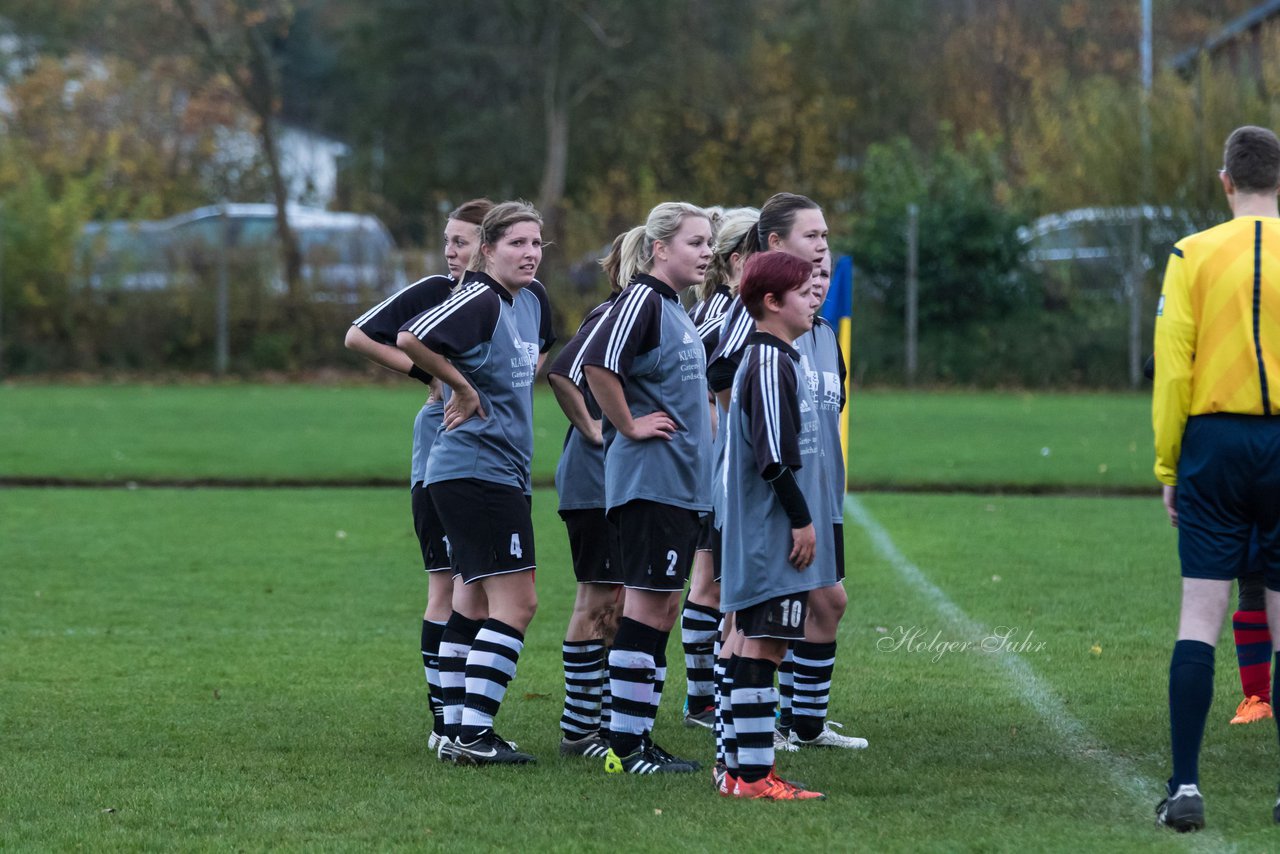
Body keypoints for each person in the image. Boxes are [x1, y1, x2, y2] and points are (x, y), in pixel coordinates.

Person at [1152, 125, 1280, 831]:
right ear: (1279, 182)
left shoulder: (1191, 253)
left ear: (1225, 180)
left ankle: (1187, 787)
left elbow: (1173, 368)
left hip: (1214, 441)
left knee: (1199, 617)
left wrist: (1170, 463)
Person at [397, 200, 554, 766]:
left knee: (476, 601)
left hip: (496, 471)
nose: (531, 253)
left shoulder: (521, 304)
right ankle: (472, 733)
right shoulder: (481, 296)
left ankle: (459, 732)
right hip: (473, 470)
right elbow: (412, 338)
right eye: (517, 243)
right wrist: (459, 389)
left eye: (537, 244)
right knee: (518, 603)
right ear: (487, 249)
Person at [707, 193, 865, 757]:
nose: (822, 251)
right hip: (770, 506)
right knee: (757, 628)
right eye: (811, 239)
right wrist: (793, 512)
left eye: (826, 238)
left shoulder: (807, 340)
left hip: (803, 500)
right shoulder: (764, 346)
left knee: (795, 617)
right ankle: (744, 756)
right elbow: (766, 443)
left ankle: (762, 746)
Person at [343, 198, 493, 752]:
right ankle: (446, 724)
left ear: (490, 243)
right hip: (441, 459)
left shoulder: (509, 301)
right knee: (449, 586)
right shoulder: (438, 291)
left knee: (474, 588)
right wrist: (428, 374)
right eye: (448, 239)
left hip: (492, 461)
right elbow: (358, 335)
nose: (451, 250)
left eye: (463, 240)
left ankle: (458, 721)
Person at [583, 202, 714, 774]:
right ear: (661, 248)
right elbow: (595, 365)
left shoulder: (676, 308)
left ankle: (635, 740)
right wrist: (629, 425)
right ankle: (623, 747)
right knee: (644, 610)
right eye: (695, 242)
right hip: (651, 484)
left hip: (682, 486)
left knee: (661, 611)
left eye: (710, 242)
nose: (707, 252)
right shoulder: (641, 299)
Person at [718, 250, 829, 800]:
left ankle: (741, 773)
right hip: (771, 536)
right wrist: (802, 521)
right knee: (763, 647)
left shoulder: (782, 357)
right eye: (802, 289)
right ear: (771, 301)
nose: (813, 297)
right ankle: (757, 778)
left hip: (769, 532)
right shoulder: (768, 362)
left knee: (756, 645)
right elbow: (773, 459)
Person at [547, 234, 628, 758]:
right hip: (593, 482)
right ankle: (580, 730)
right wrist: (594, 431)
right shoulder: (613, 313)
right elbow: (561, 369)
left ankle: (598, 722)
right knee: (597, 599)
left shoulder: (647, 314)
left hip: (617, 482)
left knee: (616, 601)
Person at [681, 206, 759, 729]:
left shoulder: (731, 309)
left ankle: (708, 699)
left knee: (715, 583)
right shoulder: (717, 315)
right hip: (717, 471)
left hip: (720, 469)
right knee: (712, 585)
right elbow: (701, 385)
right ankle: (706, 700)